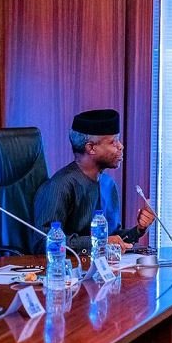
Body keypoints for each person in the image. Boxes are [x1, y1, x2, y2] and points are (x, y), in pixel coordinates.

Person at [34, 109, 155, 255]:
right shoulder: (60, 185)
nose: (121, 146)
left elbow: (112, 237)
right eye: (113, 142)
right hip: (67, 273)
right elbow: (44, 243)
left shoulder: (108, 184)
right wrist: (100, 242)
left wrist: (139, 229)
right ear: (91, 148)